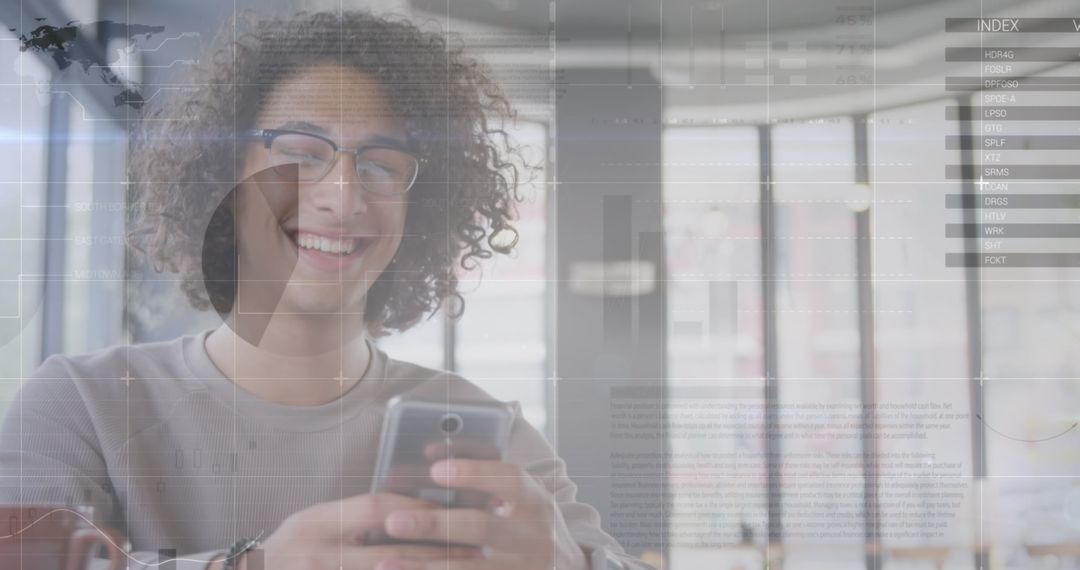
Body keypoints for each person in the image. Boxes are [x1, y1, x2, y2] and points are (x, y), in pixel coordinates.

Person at [0, 10, 650, 570]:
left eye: (380, 164)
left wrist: (566, 560)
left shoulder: (487, 432)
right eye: (303, 152)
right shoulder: (83, 403)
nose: (343, 193)